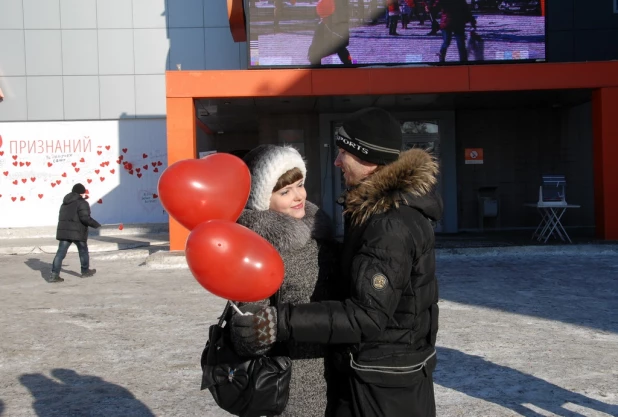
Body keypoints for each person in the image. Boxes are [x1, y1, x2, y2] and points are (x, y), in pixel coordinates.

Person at [231, 108, 443, 417]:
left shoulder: (389, 224)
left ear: (367, 157)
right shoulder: (370, 212)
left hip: (382, 385)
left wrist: (280, 321)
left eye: (344, 152)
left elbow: (366, 316)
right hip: (374, 377)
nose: (336, 160)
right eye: (285, 190)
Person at [228, 145, 338, 417]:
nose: (298, 196)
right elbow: (247, 333)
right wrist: (258, 327)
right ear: (264, 200)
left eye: (299, 185)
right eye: (284, 192)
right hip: (293, 385)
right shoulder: (259, 250)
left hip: (338, 375)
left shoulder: (321, 234)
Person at [49, 183, 101, 283]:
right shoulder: (82, 203)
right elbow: (85, 218)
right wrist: (96, 225)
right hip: (78, 232)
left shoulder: (65, 203)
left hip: (65, 232)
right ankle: (85, 271)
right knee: (83, 251)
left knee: (60, 254)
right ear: (81, 193)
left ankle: (54, 275)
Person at [308, 0, 352, 65]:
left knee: (343, 51)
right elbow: (313, 49)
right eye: (322, 17)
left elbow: (346, 42)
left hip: (335, 46)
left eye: (326, 18)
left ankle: (350, 69)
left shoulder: (341, 24)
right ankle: (317, 73)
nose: (323, 19)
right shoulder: (320, 27)